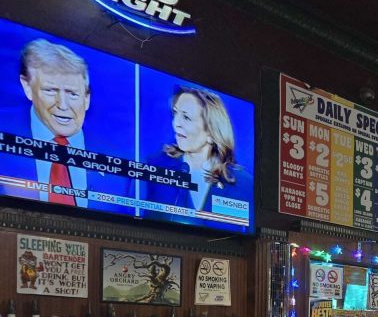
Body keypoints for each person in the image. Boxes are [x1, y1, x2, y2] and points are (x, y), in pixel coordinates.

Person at [1, 39, 130, 211]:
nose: (62, 105)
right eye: (50, 90)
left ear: (87, 98)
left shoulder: (119, 161)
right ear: (27, 87)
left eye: (72, 94)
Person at [142, 86, 252, 219]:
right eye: (175, 113)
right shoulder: (155, 166)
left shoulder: (243, 184)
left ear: (212, 132)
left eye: (186, 117)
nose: (176, 123)